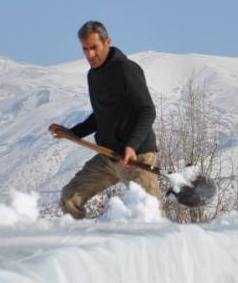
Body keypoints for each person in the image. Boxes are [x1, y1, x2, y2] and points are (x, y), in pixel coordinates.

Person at [49, 21, 160, 219]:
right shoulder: (93, 75)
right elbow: (101, 116)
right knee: (69, 199)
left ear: (107, 42)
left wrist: (132, 145)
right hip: (109, 156)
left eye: (94, 47)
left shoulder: (127, 69)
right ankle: (84, 246)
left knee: (149, 216)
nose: (89, 54)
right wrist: (72, 133)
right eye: (85, 49)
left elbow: (147, 110)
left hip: (138, 157)